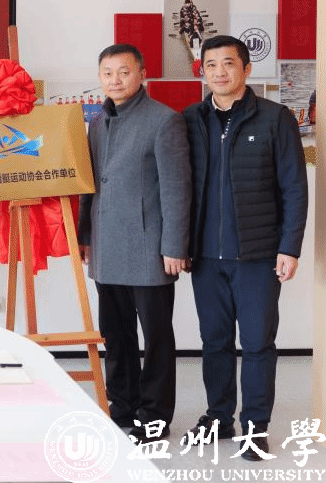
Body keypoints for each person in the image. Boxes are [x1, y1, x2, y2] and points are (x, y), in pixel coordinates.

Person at [181, 35, 307, 461]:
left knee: (257, 344)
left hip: (258, 256)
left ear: (246, 69)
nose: (219, 72)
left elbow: (294, 187)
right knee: (214, 342)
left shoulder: (275, 118)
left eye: (229, 63)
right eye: (211, 65)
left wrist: (290, 247)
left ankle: (255, 427)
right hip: (205, 257)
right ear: (202, 71)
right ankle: (218, 417)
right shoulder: (191, 119)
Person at [77, 44, 190, 443]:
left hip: (148, 247)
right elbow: (90, 184)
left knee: (156, 336)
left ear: (141, 74)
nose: (115, 80)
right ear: (99, 77)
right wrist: (85, 236)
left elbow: (177, 189)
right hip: (106, 245)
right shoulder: (97, 122)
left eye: (124, 72)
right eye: (108, 73)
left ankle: (154, 415)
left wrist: (175, 245)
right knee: (115, 333)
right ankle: (122, 405)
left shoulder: (164, 120)